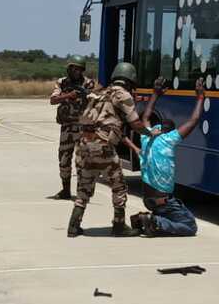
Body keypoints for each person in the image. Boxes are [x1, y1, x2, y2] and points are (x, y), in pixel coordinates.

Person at [67, 61, 155, 238]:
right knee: (119, 186)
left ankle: (73, 226)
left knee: (84, 186)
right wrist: (149, 133)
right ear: (130, 80)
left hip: (84, 144)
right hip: (103, 146)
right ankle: (119, 225)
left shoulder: (98, 93)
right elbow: (135, 123)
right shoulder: (123, 95)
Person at [123, 76, 205, 236]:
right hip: (162, 200)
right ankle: (154, 221)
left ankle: (147, 219)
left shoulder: (147, 137)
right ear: (171, 132)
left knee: (172, 212)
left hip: (148, 200)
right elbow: (194, 120)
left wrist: (155, 93)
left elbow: (146, 117)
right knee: (189, 225)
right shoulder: (169, 140)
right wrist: (201, 97)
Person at [49, 55, 97, 199]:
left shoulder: (88, 84)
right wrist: (68, 95)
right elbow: (53, 100)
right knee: (64, 159)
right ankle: (65, 190)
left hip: (83, 127)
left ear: (82, 70)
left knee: (83, 161)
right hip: (67, 126)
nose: (75, 71)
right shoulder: (62, 82)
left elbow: (94, 101)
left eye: (78, 69)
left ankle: (83, 192)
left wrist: (84, 96)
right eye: (73, 68)